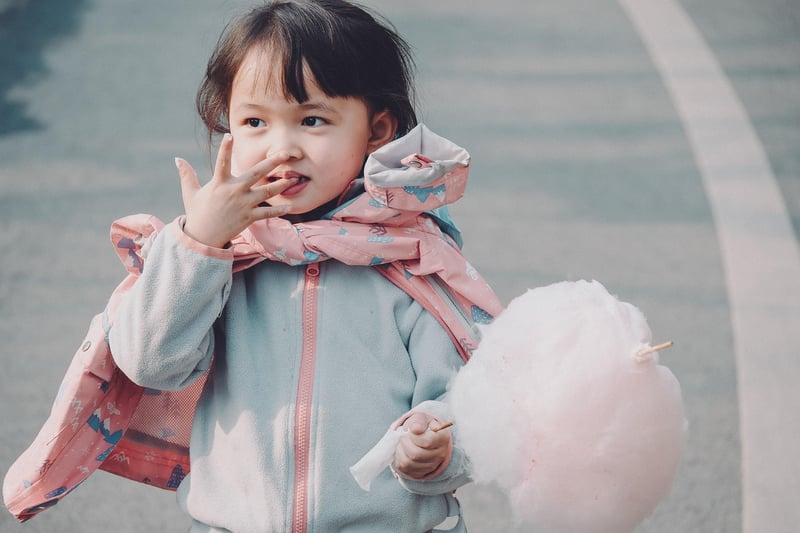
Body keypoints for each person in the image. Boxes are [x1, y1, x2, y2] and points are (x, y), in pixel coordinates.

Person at [108, 1, 500, 531]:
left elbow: (471, 397)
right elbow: (151, 363)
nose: (281, 148)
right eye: (254, 121)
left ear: (377, 130)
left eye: (312, 120)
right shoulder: (213, 259)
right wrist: (199, 244)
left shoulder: (412, 257)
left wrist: (437, 446)